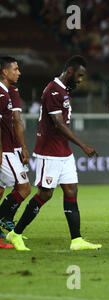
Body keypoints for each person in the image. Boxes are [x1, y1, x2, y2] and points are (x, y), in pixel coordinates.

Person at [6, 55, 101, 251]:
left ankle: (76, 240)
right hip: (49, 151)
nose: (81, 80)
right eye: (80, 76)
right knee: (45, 194)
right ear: (70, 72)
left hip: (63, 151)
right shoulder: (53, 91)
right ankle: (15, 234)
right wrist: (82, 145)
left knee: (71, 190)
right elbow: (58, 124)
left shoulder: (64, 90)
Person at [0, 57, 27, 249]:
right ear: (4, 72)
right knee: (24, 188)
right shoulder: (1, 95)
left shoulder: (7, 93)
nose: (19, 72)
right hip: (5, 150)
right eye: (15, 69)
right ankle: (3, 218)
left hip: (8, 149)